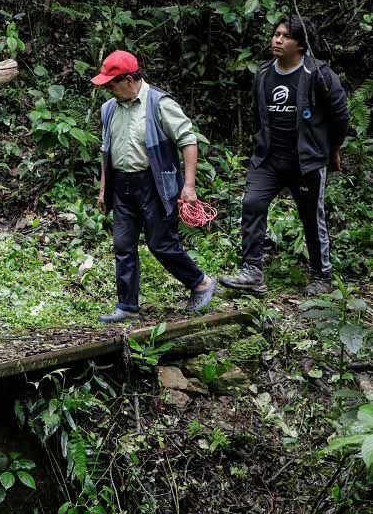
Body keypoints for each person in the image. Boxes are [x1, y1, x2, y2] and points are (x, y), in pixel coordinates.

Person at [220, 16, 349, 295]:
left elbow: (340, 116)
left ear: (301, 44)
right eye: (276, 34)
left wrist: (333, 149)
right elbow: (258, 115)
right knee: (252, 203)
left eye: (285, 36)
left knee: (311, 217)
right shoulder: (264, 74)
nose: (277, 40)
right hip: (269, 158)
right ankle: (252, 271)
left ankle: (321, 276)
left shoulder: (318, 74)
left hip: (306, 161)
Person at [93, 49, 217, 323]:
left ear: (128, 79)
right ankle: (127, 306)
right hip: (122, 184)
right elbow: (106, 150)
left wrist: (189, 185)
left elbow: (188, 140)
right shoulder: (109, 109)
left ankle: (201, 282)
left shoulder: (159, 103)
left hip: (155, 183)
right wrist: (103, 189)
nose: (109, 90)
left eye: (112, 83)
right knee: (123, 245)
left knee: (160, 243)